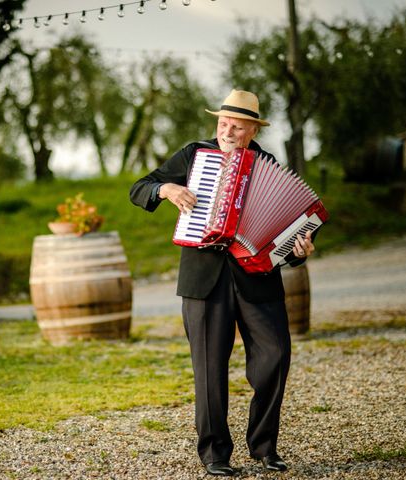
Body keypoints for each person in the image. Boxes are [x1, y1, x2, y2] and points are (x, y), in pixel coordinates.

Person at [129, 90, 315, 476]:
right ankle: (215, 454)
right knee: (210, 370)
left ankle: (263, 447)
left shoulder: (267, 164)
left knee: (276, 355)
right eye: (223, 124)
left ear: (252, 129)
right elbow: (139, 187)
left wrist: (299, 250)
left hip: (258, 279)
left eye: (236, 125)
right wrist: (166, 189)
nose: (227, 130)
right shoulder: (194, 155)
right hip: (204, 280)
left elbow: (285, 237)